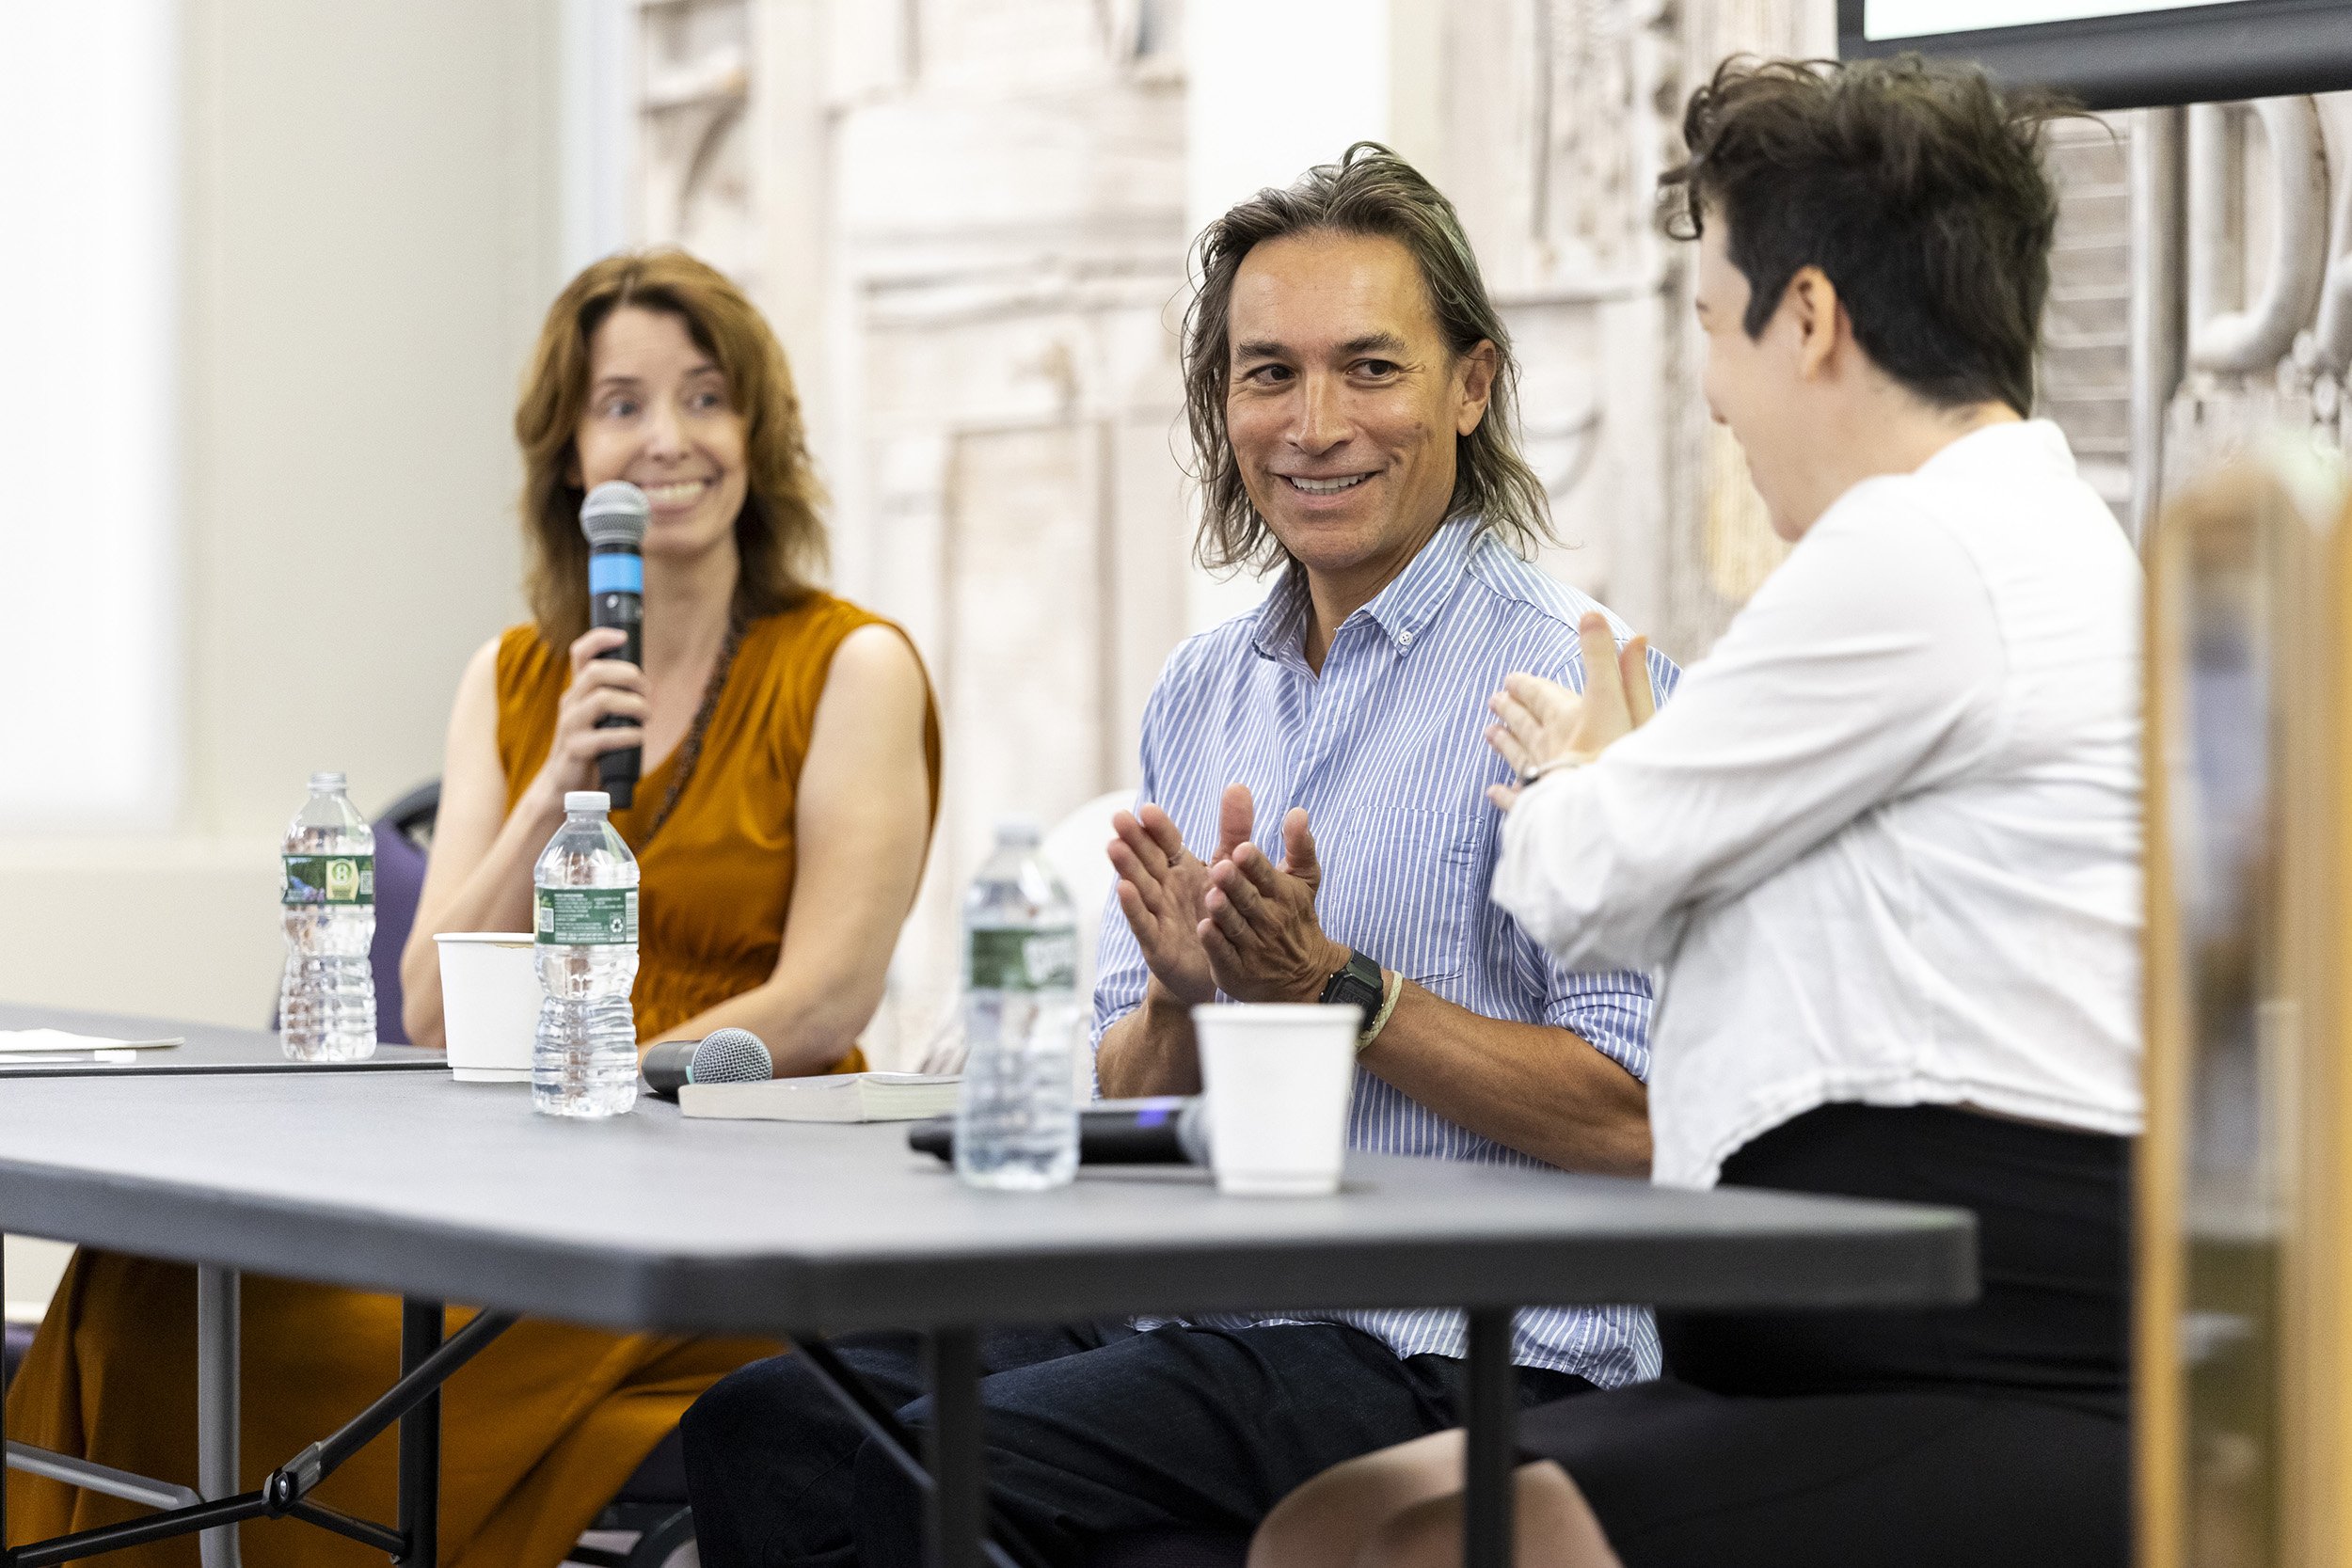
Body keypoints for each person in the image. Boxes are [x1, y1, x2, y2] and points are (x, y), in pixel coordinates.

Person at [680, 144, 1677, 1568]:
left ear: (1474, 385)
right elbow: (1128, 1101)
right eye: (1268, 372)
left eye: (1370, 369)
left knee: (909, 1475)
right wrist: (1191, 999)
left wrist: (1343, 993)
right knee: (768, 1425)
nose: (1316, 424)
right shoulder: (1204, 690)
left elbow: (1635, 1117)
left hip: (1455, 1339)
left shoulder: (1584, 683)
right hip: (1201, 1306)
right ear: (1222, 404)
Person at [1250, 55, 2141, 1568]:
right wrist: (1628, 788)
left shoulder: (1919, 552)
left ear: (1807, 319)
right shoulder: (2016, 532)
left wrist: (1573, 777)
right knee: (1339, 1517)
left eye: (1716, 329)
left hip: (1970, 1342)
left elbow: (1586, 880)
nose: (1717, 398)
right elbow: (1668, 870)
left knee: (1401, 1542)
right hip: (1856, 1322)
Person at [5, 250, 941, 1568]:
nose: (667, 439)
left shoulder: (852, 664)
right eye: (623, 405)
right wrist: (552, 784)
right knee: (148, 1282)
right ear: (571, 456)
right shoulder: (513, 676)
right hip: (501, 1161)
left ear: (757, 436)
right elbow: (435, 1002)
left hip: (727, 1176)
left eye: (706, 398)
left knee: (314, 1340)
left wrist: (608, 1087)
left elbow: (824, 1001)